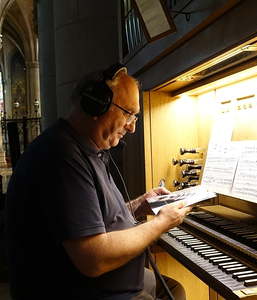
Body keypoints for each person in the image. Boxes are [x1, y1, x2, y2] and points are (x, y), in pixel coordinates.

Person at [6, 63, 191, 300]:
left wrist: (140, 204)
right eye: (128, 114)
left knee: (173, 289)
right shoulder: (61, 157)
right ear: (96, 103)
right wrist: (161, 223)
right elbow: (93, 258)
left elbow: (89, 220)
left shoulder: (86, 149)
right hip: (77, 291)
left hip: (102, 285)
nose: (132, 127)